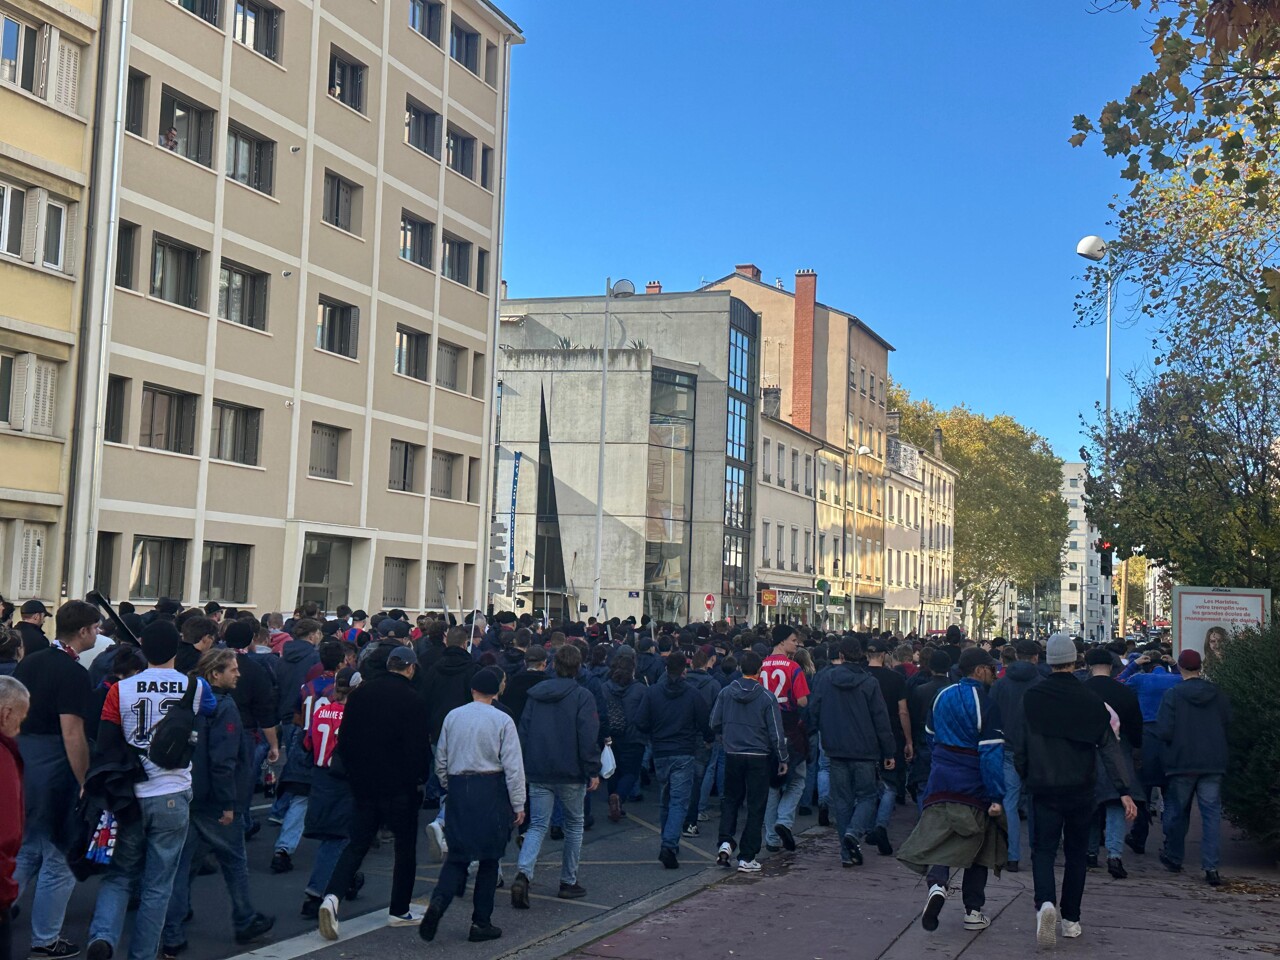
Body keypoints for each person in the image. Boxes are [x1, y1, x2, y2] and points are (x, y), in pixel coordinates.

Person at [87, 621, 215, 960]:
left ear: (143, 649)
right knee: (158, 884)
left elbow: (105, 741)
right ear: (177, 648)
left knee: (119, 876)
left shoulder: (121, 689)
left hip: (132, 793)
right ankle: (142, 954)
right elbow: (213, 709)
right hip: (174, 790)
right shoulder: (195, 686)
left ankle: (103, 936)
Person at [1019, 634, 1136, 949]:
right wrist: (1123, 789)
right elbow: (1110, 748)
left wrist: (1024, 774)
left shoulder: (1032, 698)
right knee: (1075, 854)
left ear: (1048, 660)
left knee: (1042, 851)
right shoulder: (1090, 701)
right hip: (1081, 787)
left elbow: (1021, 744)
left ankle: (1045, 903)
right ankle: (1071, 919)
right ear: (1076, 661)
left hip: (1043, 784)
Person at [161, 650, 273, 955]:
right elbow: (223, 759)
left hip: (189, 790)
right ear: (215, 674)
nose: (238, 674)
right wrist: (228, 803)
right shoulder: (225, 708)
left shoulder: (190, 701)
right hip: (216, 797)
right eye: (232, 670)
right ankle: (244, 917)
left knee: (184, 862)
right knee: (234, 860)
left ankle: (172, 927)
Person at [318, 646, 429, 940]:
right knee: (404, 848)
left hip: (363, 781)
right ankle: (400, 908)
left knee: (357, 844)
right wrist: (419, 778)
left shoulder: (361, 695)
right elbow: (418, 749)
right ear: (410, 668)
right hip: (399, 785)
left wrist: (355, 773)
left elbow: (347, 739)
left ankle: (332, 896)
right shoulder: (414, 700)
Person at [898, 648, 1006, 936]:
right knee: (979, 845)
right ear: (980, 670)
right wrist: (996, 795)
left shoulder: (942, 696)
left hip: (940, 778)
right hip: (973, 782)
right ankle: (973, 910)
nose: (994, 675)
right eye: (991, 669)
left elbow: (931, 737)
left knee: (941, 835)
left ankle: (937, 884)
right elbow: (991, 754)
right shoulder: (985, 703)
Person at [13, 600, 98, 960]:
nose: (97, 633)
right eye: (95, 628)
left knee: (26, 849)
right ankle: (46, 938)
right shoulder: (73, 673)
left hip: (24, 762)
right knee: (58, 857)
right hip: (55, 770)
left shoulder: (29, 662)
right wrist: (84, 779)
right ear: (82, 631)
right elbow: (72, 732)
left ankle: (8, 904)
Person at [420, 668, 526, 944]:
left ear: (472, 690)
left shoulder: (453, 717)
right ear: (496, 691)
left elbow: (440, 758)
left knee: (458, 854)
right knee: (490, 858)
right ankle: (481, 922)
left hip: (458, 786)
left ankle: (439, 902)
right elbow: (514, 766)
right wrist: (518, 803)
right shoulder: (503, 720)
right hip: (490, 787)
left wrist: (448, 784)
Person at [511, 645, 601, 906]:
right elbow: (587, 736)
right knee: (574, 825)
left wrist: (524, 765)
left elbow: (523, 731)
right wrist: (592, 770)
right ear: (579, 667)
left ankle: (524, 873)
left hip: (539, 768)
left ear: (553, 665)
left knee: (538, 824)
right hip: (571, 770)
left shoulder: (536, 695)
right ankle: (568, 880)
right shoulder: (582, 696)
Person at [808, 637, 895, 867]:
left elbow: (813, 709)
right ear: (862, 655)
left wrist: (810, 733)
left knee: (842, 800)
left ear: (842, 655)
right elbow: (881, 719)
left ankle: (847, 852)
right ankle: (854, 834)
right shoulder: (869, 682)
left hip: (835, 747)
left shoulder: (826, 679)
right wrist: (889, 751)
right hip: (865, 749)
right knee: (867, 795)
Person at [1157, 649, 1231, 886]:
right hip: (1213, 760)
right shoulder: (1216, 693)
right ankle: (1211, 867)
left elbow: (1165, 730)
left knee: (1177, 812)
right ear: (1200, 667)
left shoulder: (1173, 694)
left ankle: (1174, 856)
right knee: (1211, 816)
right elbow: (1228, 720)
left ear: (1179, 667)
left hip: (1182, 761)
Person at [710, 649, 787, 874]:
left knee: (731, 800)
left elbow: (714, 721)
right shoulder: (766, 697)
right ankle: (747, 856)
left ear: (740, 669)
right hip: (759, 757)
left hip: (733, 753)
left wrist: (725, 735)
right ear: (760, 671)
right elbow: (776, 732)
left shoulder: (726, 693)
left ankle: (725, 842)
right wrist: (783, 757)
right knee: (756, 806)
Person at [634, 651, 709, 869]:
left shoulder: (653, 692)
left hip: (661, 751)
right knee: (678, 801)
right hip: (684, 750)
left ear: (666, 668)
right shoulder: (692, 694)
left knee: (666, 798)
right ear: (684, 669)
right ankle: (669, 843)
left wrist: (653, 733)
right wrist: (707, 738)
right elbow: (705, 722)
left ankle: (669, 841)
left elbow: (640, 721)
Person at [301, 667, 359, 917]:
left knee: (336, 833)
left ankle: (346, 878)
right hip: (341, 777)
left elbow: (307, 743)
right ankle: (318, 891)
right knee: (338, 837)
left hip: (320, 773)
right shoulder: (353, 715)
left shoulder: (321, 710)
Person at [1082, 646, 1143, 879]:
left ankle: (1089, 852)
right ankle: (1114, 855)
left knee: (1091, 805)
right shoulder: (1125, 692)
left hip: (1088, 753)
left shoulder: (1081, 690)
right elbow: (1136, 726)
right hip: (1119, 752)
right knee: (1116, 803)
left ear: (1089, 667)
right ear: (1111, 667)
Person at [420, 626, 480, 859]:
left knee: (445, 777)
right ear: (466, 643)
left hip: (438, 731)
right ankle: (444, 822)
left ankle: (446, 823)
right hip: (465, 732)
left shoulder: (433, 669)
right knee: (462, 778)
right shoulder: (472, 670)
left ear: (447, 642)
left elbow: (425, 700)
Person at [1115, 646, 1181, 854]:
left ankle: (1139, 837)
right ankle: (1171, 843)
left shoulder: (1140, 680)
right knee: (1170, 795)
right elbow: (1188, 680)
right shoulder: (1176, 680)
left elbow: (1116, 684)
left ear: (1146, 665)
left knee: (1141, 793)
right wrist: (1175, 665)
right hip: (1171, 740)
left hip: (1145, 739)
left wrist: (1133, 665)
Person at [988, 639, 1042, 871]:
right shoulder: (1041, 683)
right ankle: (1040, 852)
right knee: (1037, 803)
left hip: (1007, 747)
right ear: (1036, 658)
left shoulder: (1000, 684)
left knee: (1009, 802)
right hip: (1036, 750)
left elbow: (991, 715)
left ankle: (1012, 855)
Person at [759, 626, 811, 854]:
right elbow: (802, 701)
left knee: (772, 784)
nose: (796, 644)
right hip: (790, 727)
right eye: (793, 640)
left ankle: (771, 837)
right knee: (798, 778)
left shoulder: (761, 666)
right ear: (781, 642)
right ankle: (784, 820)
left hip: (766, 728)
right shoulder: (793, 667)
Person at [864, 636, 914, 855]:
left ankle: (866, 825)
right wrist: (909, 739)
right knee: (889, 783)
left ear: (867, 655)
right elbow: (903, 711)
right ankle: (881, 824)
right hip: (891, 733)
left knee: (866, 786)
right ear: (884, 656)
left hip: (864, 735)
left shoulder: (861, 677)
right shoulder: (896, 679)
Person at [1, 676, 31, 960]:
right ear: (6, 714)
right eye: (19, 720)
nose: (19, 729)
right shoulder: (4, 756)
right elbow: (7, 833)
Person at [603, 652, 647, 821]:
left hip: (611, 736)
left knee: (613, 771)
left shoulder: (605, 687)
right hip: (634, 737)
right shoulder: (640, 689)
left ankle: (613, 802)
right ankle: (619, 797)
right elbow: (645, 714)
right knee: (631, 772)